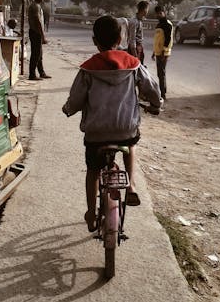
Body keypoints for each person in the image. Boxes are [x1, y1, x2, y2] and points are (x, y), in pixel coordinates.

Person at [62, 15, 161, 232]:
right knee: (130, 144)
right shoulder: (133, 65)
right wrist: (156, 104)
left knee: (93, 171)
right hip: (125, 129)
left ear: (94, 40)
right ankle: (132, 185)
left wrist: (69, 108)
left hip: (96, 133)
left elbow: (77, 98)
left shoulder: (88, 69)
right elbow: (151, 88)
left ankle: (90, 212)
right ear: (120, 38)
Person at [28, 0, 51, 80]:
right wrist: (43, 36)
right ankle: (32, 74)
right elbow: (37, 22)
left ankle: (41, 72)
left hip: (36, 32)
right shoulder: (35, 6)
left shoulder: (38, 6)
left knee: (39, 54)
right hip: (35, 32)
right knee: (35, 54)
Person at [151, 5, 173, 101]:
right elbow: (157, 40)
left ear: (164, 13)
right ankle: (163, 91)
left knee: (161, 73)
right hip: (158, 52)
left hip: (163, 52)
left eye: (160, 13)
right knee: (160, 73)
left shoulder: (167, 24)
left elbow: (168, 39)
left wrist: (164, 51)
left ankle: (162, 95)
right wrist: (154, 52)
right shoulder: (159, 25)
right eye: (157, 13)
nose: (159, 15)